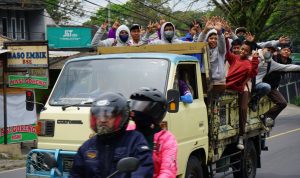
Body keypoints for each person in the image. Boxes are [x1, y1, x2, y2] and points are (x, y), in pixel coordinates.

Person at [70, 92, 154, 178]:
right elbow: (75, 174)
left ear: (122, 117)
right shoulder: (87, 146)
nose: (102, 120)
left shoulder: (135, 141)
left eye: (108, 116)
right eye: (98, 116)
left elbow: (143, 171)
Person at [129, 87, 178, 178]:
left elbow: (168, 171)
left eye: (141, 107)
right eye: (135, 105)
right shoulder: (128, 130)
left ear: (155, 111)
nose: (135, 111)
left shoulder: (166, 140)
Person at [250, 44, 300, 121]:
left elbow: (286, 67)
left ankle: (265, 116)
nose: (269, 52)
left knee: (269, 89)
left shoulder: (271, 63)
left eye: (272, 51)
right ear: (263, 49)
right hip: (246, 83)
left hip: (264, 85)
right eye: (268, 50)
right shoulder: (254, 56)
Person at [225, 39, 259, 150]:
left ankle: (241, 135)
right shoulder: (234, 58)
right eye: (242, 49)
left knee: (243, 109)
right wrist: (224, 38)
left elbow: (253, 73)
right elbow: (226, 52)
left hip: (241, 88)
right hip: (228, 87)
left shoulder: (249, 64)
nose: (242, 51)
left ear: (249, 53)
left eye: (245, 50)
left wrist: (255, 59)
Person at [261, 44, 293, 125]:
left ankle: (267, 117)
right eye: (284, 50)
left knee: (281, 103)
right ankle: (266, 117)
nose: (286, 51)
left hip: (274, 86)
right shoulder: (274, 58)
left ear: (290, 53)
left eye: (288, 51)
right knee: (282, 103)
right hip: (266, 84)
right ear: (280, 51)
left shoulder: (288, 62)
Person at [197, 17, 226, 85]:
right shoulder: (204, 48)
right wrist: (205, 30)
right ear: (207, 39)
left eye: (215, 39)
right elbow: (199, 42)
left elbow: (222, 41)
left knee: (215, 95)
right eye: (211, 38)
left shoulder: (221, 50)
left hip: (218, 80)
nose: (213, 40)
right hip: (205, 77)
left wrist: (219, 32)